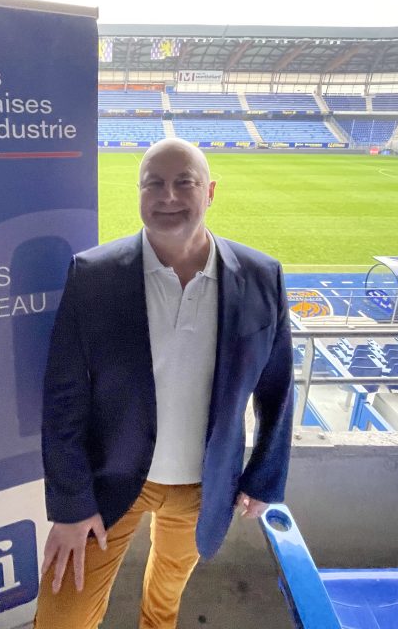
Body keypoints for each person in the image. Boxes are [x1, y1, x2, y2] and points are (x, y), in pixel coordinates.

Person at [35, 138, 294, 629]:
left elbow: (277, 387)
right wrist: (70, 505)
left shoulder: (263, 276)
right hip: (109, 483)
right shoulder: (93, 275)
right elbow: (63, 397)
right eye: (154, 183)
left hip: (203, 486)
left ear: (210, 191)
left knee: (166, 596)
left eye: (184, 182)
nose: (168, 195)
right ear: (138, 193)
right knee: (62, 616)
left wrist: (265, 477)